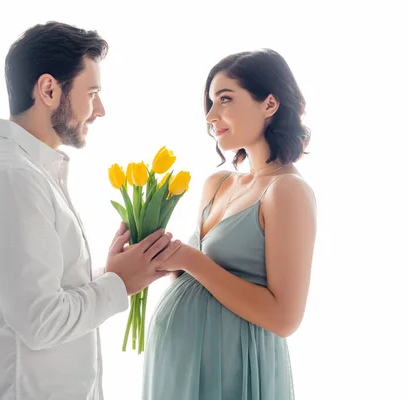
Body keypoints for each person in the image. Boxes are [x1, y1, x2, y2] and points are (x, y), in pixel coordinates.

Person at [0, 21, 180, 400]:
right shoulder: (12, 178)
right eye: (92, 93)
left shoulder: (28, 171)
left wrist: (116, 271)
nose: (100, 110)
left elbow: (40, 289)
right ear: (49, 89)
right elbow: (40, 322)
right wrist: (119, 283)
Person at [142, 49, 317, 399]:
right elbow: (202, 278)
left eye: (225, 99)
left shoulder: (287, 192)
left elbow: (285, 319)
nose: (210, 115)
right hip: (178, 364)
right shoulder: (218, 184)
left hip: (234, 366)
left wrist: (189, 259)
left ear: (269, 104)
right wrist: (156, 252)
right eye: (210, 102)